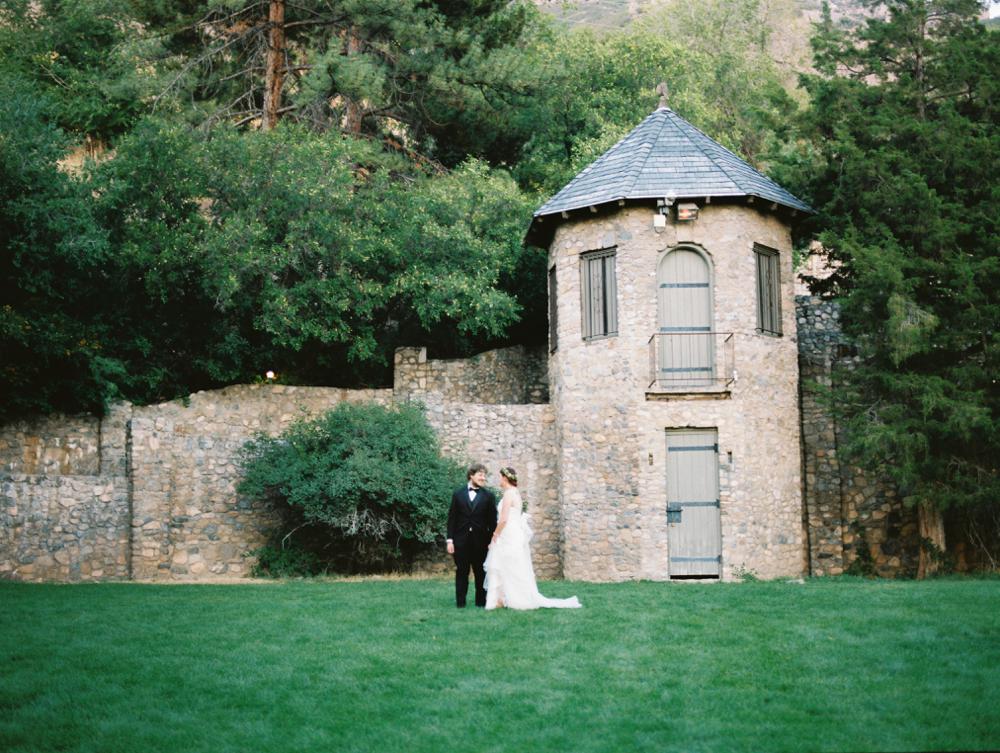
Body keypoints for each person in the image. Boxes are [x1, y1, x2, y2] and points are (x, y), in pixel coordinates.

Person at [484, 467, 581, 610]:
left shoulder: (508, 494)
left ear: (505, 478)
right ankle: (502, 599)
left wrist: (495, 535)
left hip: (508, 534)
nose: (499, 480)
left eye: (500, 477)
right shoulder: (515, 493)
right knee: (511, 566)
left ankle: (512, 599)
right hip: (513, 534)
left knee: (508, 565)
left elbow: (503, 519)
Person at [446, 463, 497, 608]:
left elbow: (492, 522)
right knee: (462, 572)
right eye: (480, 474)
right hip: (460, 541)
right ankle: (460, 603)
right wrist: (450, 540)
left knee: (480, 573)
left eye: (484, 475)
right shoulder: (458, 494)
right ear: (471, 475)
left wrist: (492, 541)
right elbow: (452, 519)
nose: (483, 477)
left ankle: (481, 603)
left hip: (481, 542)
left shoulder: (489, 496)